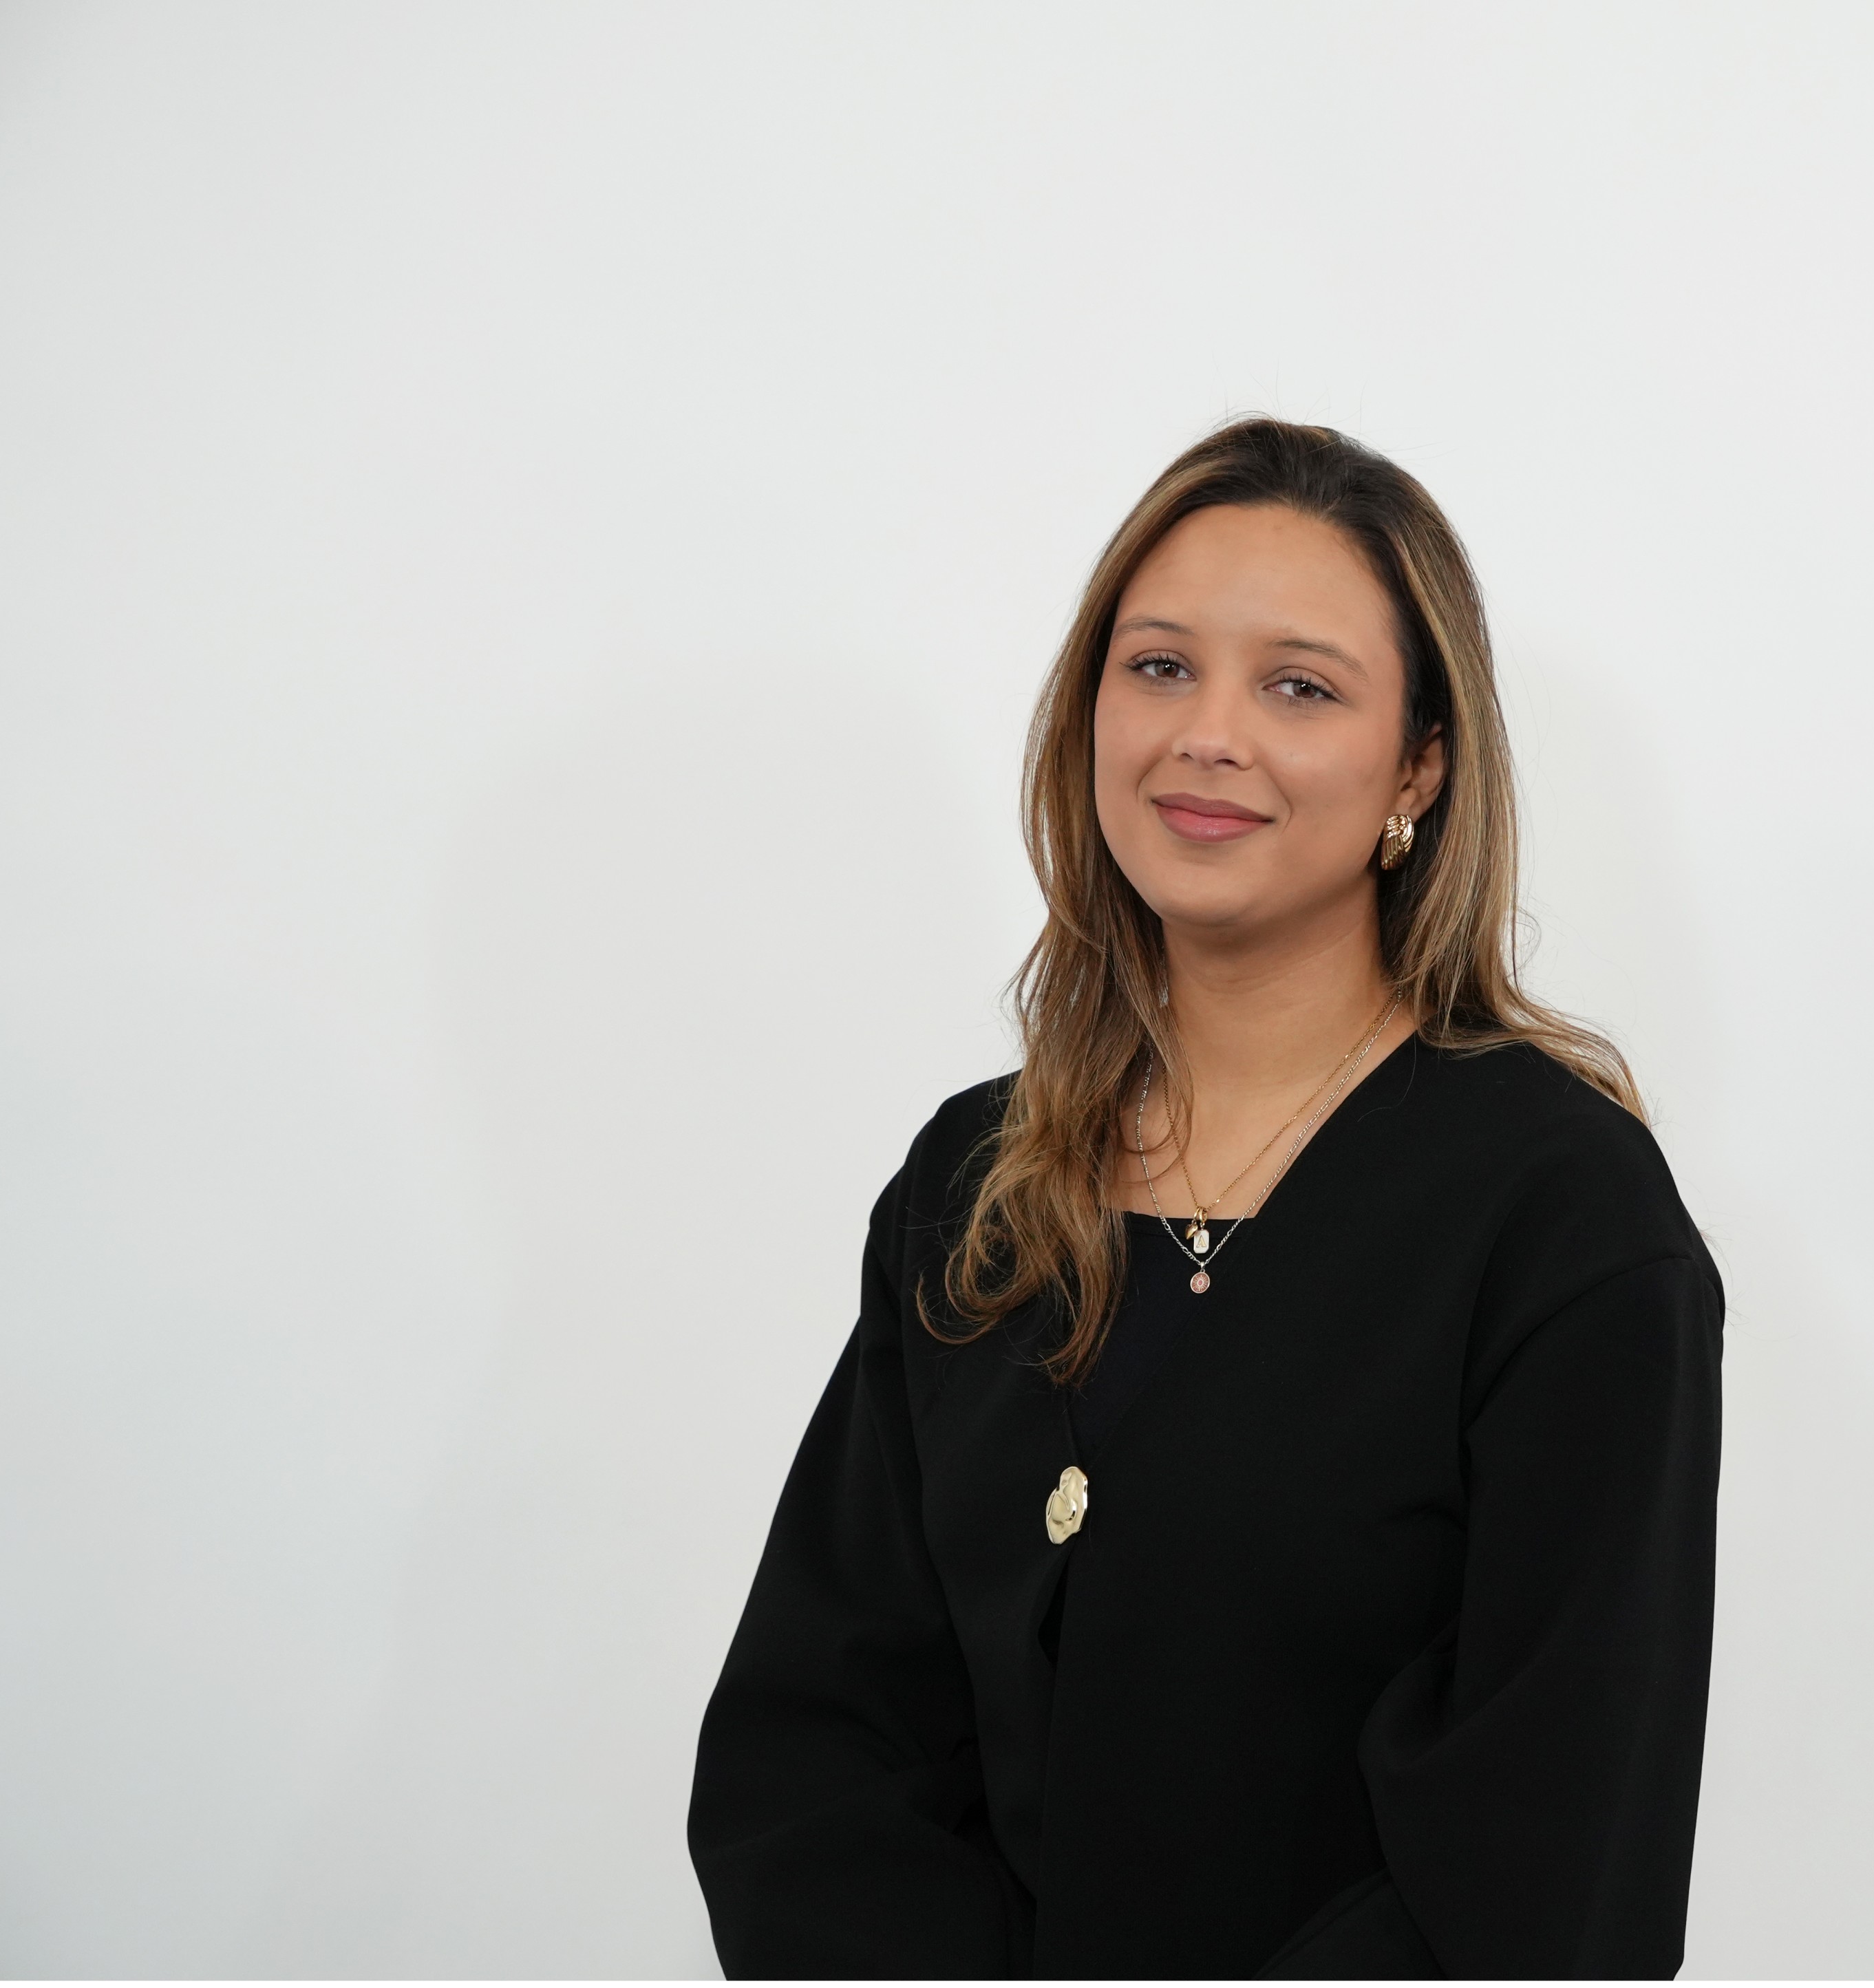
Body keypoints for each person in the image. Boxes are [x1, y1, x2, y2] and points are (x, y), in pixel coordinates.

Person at [687, 418, 1724, 1978]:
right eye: (1160, 666)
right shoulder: (973, 1183)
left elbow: (1549, 1856)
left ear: (1421, 765)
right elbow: (815, 1752)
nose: (1208, 734)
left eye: (1299, 686)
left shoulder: (1561, 1214)